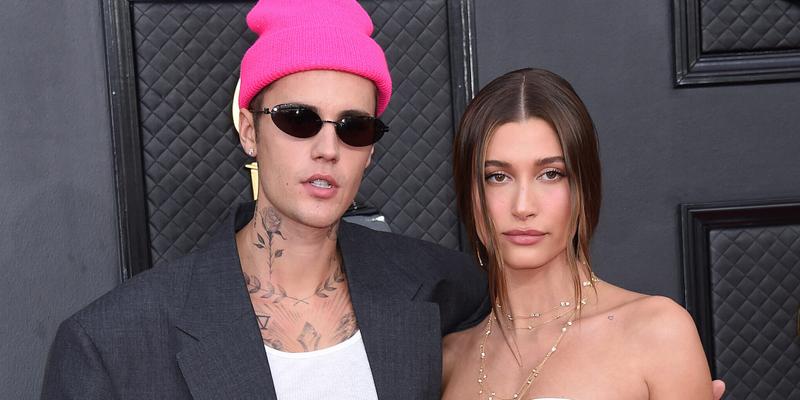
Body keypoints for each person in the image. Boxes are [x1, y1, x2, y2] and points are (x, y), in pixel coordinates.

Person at [40, 1, 488, 399]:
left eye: (354, 127)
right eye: (298, 120)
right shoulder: (112, 344)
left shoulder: (446, 290)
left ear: (370, 151)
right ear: (250, 131)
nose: (328, 149)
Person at [442, 67, 722, 399]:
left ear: (584, 188)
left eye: (550, 174)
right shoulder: (449, 359)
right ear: (468, 193)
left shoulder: (657, 332)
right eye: (497, 177)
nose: (523, 206)